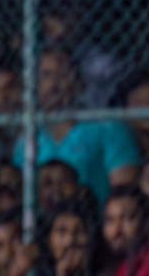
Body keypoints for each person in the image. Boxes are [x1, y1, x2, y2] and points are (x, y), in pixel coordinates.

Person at [13, 48, 141, 205]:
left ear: (78, 82)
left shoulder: (107, 128)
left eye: (63, 74)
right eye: (46, 75)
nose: (54, 83)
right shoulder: (28, 140)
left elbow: (125, 193)